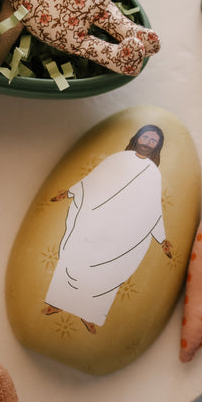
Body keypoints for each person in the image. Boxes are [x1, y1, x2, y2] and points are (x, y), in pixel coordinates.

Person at [42, 124, 173, 334]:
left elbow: (153, 209)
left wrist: (161, 238)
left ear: (157, 146)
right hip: (94, 219)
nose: (147, 143)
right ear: (137, 138)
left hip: (122, 230)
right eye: (145, 137)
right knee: (75, 260)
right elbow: (92, 181)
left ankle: (89, 315)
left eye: (153, 141)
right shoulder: (117, 159)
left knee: (107, 272)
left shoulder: (152, 174)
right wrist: (70, 192)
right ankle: (57, 303)